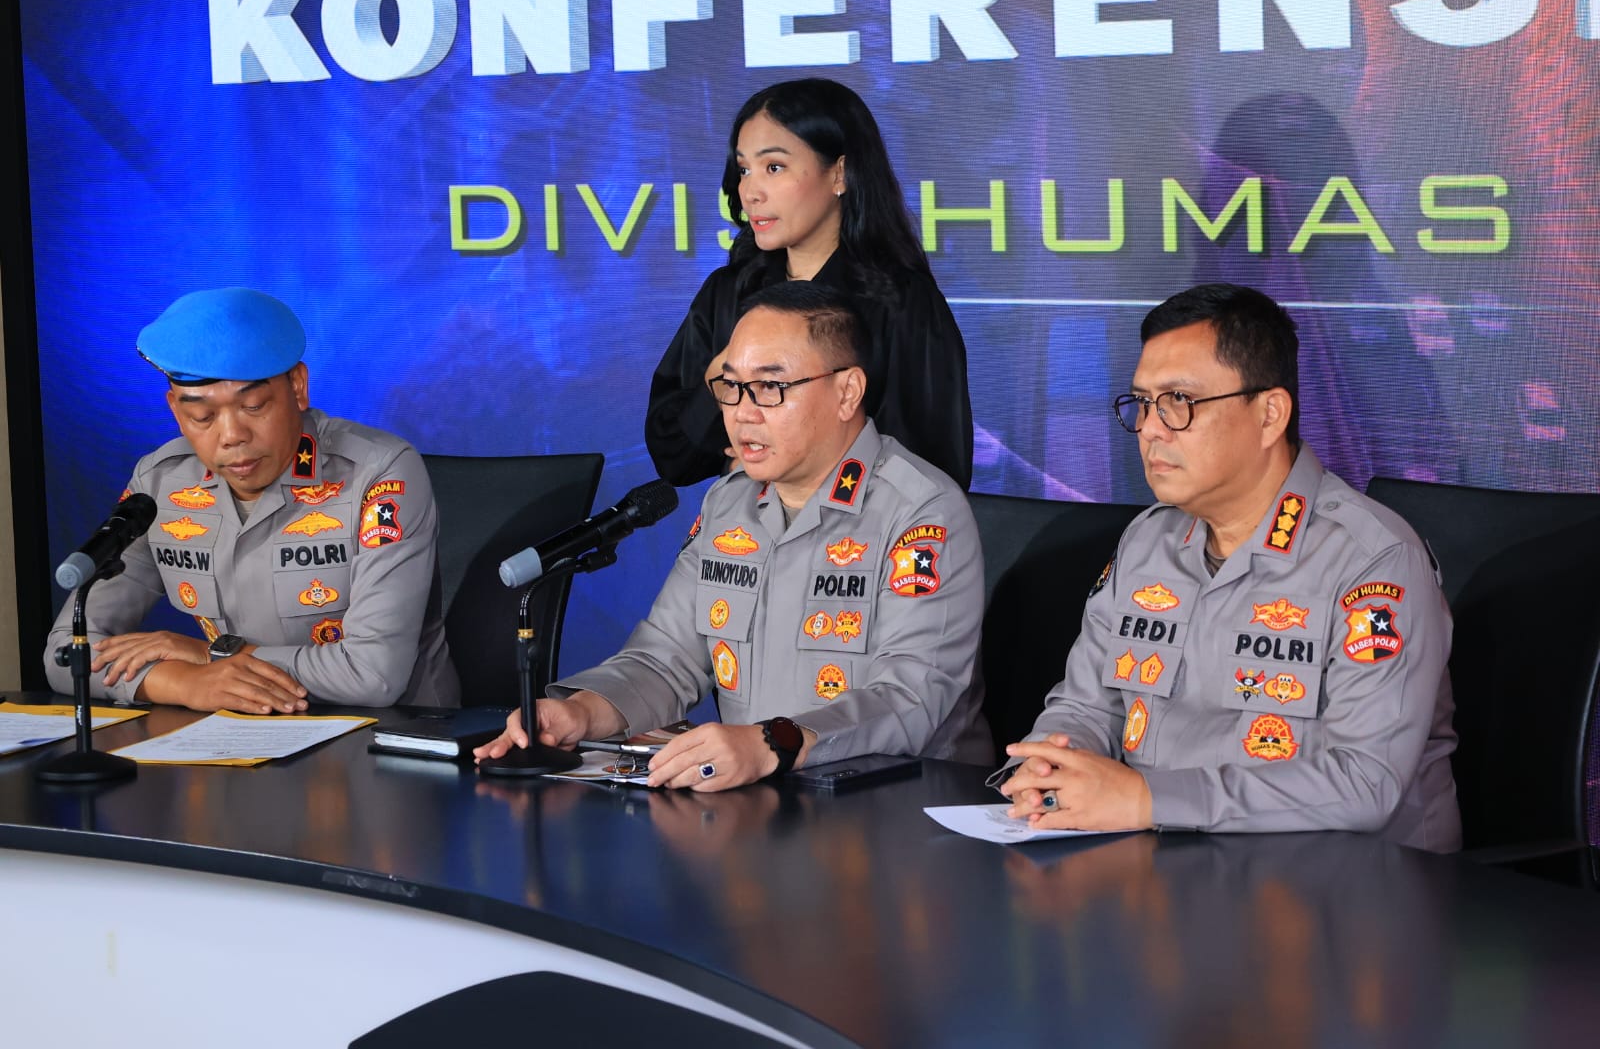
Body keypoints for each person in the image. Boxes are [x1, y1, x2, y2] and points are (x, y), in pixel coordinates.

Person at [998, 283, 1459, 851]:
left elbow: (1365, 781)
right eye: (1143, 403)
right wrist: (1051, 766)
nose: (1151, 428)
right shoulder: (1148, 541)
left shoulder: (1374, 560)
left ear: (1269, 415)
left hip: (1349, 881)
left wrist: (1147, 798)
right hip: (1175, 861)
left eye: (1178, 401)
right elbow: (1088, 705)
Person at [479, 281, 990, 787]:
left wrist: (774, 743)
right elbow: (667, 657)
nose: (742, 412)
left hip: (902, 801)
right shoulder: (729, 502)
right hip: (766, 799)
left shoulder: (920, 509)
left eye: (770, 387)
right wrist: (584, 712)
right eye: (730, 386)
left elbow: (911, 696)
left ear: (847, 392)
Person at [44, 288, 459, 712]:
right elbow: (65, 655)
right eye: (202, 416)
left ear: (297, 387)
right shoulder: (160, 483)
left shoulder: (377, 472)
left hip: (392, 731)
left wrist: (211, 656)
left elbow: (373, 674)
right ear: (176, 410)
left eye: (254, 406)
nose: (231, 436)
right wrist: (185, 683)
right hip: (237, 736)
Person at [646, 77, 974, 490]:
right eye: (744, 170)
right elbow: (673, 456)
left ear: (839, 173)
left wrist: (790, 469)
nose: (750, 192)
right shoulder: (726, 293)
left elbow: (933, 474)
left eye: (774, 167)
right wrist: (723, 376)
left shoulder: (901, 303)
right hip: (746, 529)